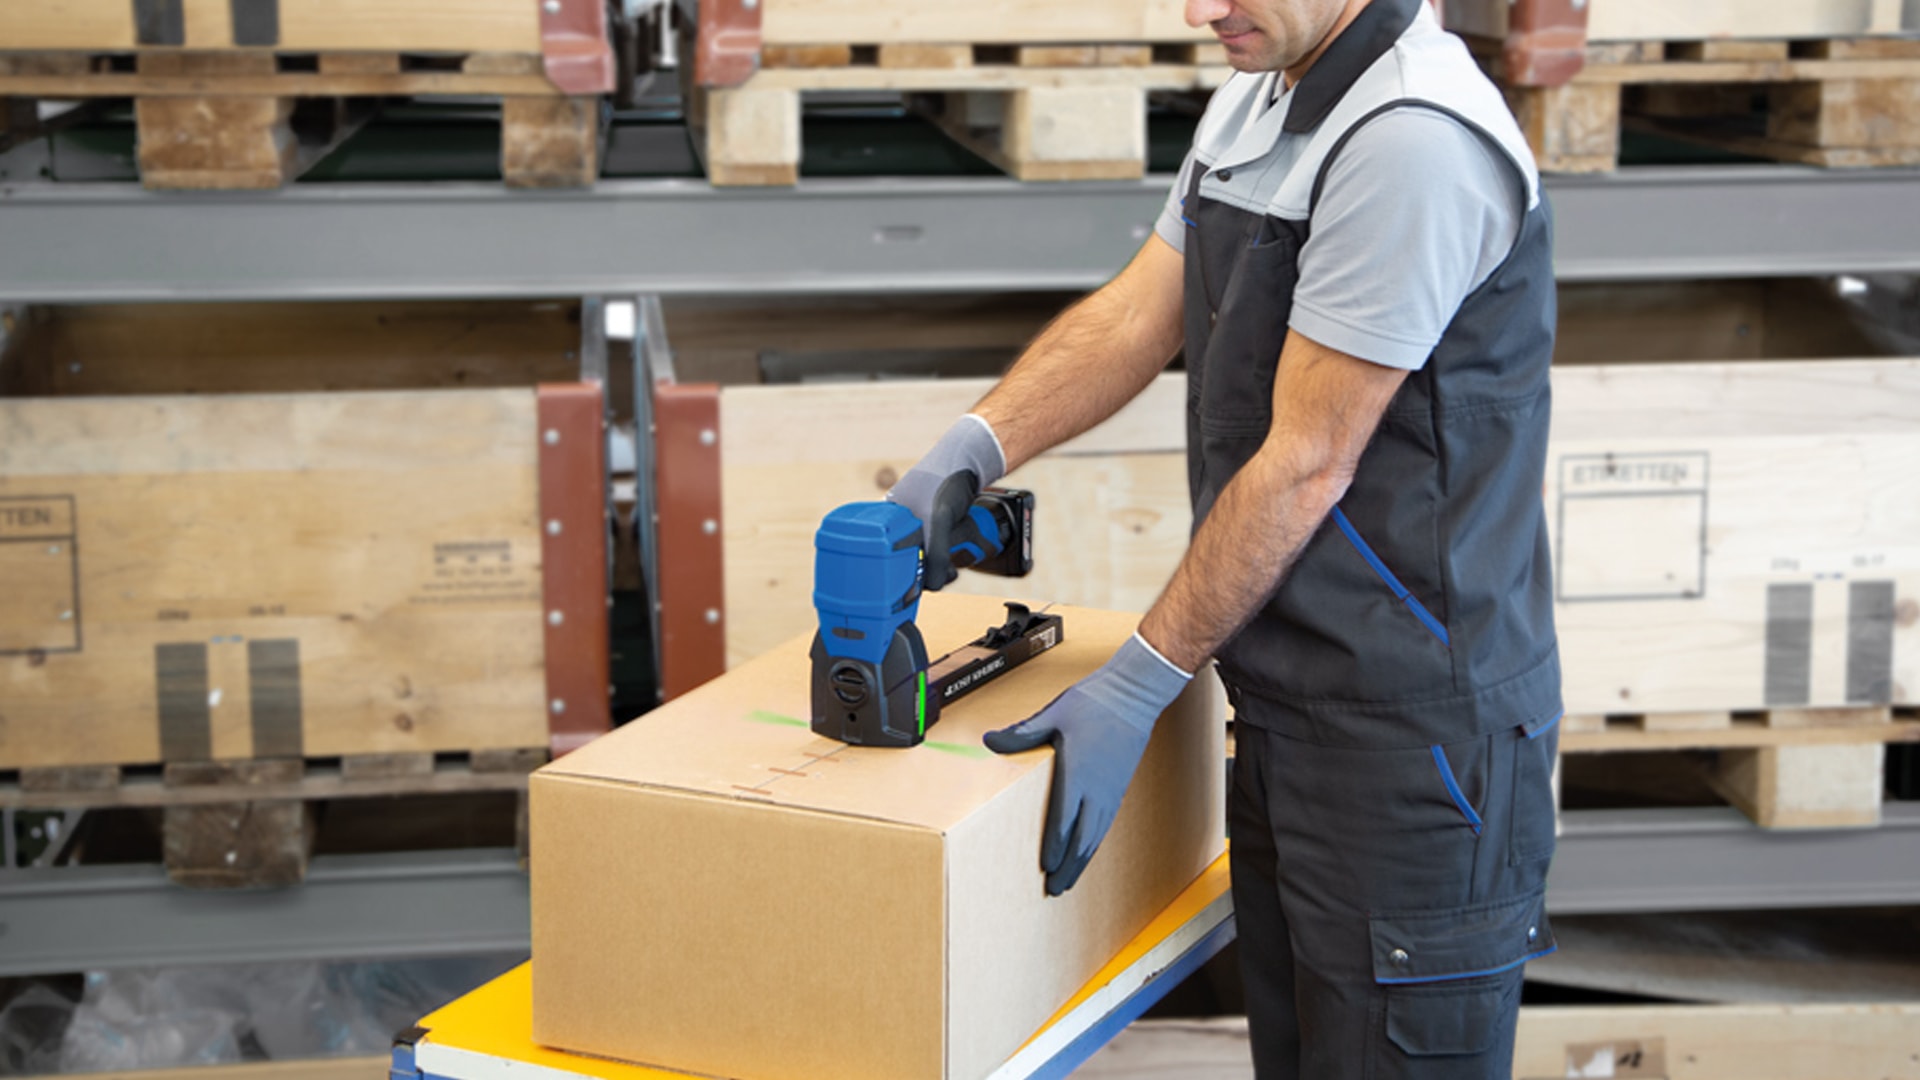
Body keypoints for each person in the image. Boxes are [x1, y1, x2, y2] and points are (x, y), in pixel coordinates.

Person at [888, 0, 1562, 1075]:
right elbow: (1137, 313)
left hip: (1415, 745)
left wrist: (1135, 684)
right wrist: (969, 450)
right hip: (1292, 705)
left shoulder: (1413, 141)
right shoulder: (1262, 98)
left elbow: (1307, 459)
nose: (1202, 9)